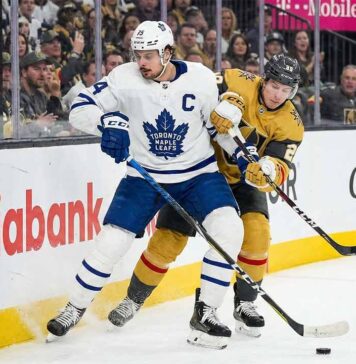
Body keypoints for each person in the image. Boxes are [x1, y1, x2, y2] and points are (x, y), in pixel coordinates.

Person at [46, 20, 253, 350]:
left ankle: (207, 312)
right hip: (145, 176)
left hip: (198, 175)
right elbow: (79, 107)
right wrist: (107, 124)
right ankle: (74, 307)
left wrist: (243, 153)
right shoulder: (123, 78)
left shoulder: (200, 77)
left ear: (168, 53)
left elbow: (218, 127)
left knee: (229, 229)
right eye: (137, 54)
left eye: (148, 56)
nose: (140, 62)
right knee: (111, 242)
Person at [108, 54, 304, 342]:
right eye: (275, 86)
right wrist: (227, 100)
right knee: (167, 240)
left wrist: (269, 170)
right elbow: (193, 85)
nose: (278, 95)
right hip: (200, 172)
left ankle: (245, 303)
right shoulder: (235, 79)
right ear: (265, 79)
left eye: (286, 90)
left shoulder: (292, 123)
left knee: (258, 234)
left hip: (243, 180)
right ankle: (133, 299)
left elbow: (280, 163)